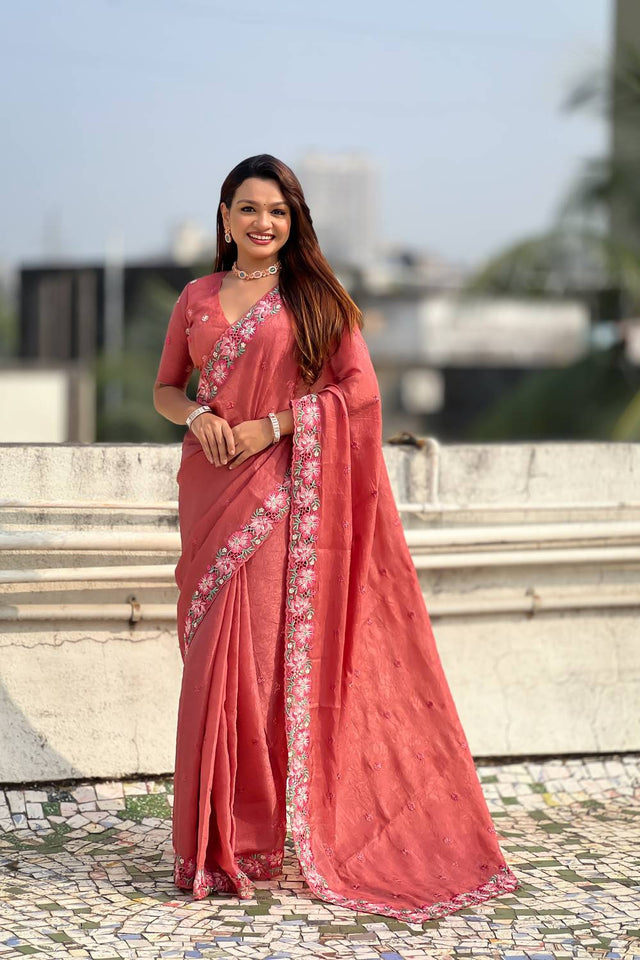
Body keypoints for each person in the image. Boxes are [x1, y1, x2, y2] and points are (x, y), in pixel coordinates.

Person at [153, 153, 519, 921]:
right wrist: (202, 417)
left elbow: (359, 394)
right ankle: (204, 844)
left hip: (278, 495)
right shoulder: (194, 297)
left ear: (295, 222)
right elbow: (166, 388)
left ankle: (247, 842)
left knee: (251, 668)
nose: (263, 223)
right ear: (223, 217)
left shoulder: (315, 299)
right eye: (248, 209)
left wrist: (273, 426)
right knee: (207, 670)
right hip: (209, 488)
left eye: (278, 212)